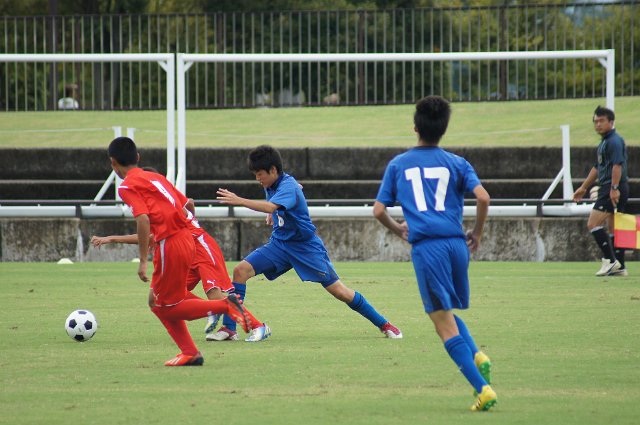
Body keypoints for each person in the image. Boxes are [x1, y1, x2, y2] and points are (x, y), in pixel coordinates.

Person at [372, 95, 496, 411]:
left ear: (416, 127)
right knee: (446, 311)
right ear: (443, 129)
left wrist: (398, 229)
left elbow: (378, 210)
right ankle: (477, 355)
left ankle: (483, 389)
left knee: (441, 323)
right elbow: (483, 198)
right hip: (457, 245)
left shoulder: (399, 164)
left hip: (429, 248)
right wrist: (477, 233)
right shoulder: (458, 163)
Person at [211, 144, 402, 341]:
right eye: (255, 175)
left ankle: (384, 324)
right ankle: (230, 328)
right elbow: (281, 200)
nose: (258, 179)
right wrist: (273, 213)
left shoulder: (288, 186)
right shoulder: (274, 184)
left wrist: (243, 201)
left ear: (273, 170)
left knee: (340, 292)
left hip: (305, 248)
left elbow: (277, 201)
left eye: (260, 174)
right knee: (240, 271)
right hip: (280, 244)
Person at [107, 136, 264, 366]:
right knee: (156, 300)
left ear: (113, 162)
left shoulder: (127, 186)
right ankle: (190, 352)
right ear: (137, 157)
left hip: (169, 243)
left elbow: (143, 219)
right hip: (186, 239)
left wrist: (142, 260)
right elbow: (187, 203)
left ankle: (224, 306)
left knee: (167, 306)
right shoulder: (156, 177)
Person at [572, 106, 629, 277]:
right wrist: (583, 187)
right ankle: (620, 266)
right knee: (614, 227)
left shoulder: (614, 141)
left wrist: (614, 188)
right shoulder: (605, 142)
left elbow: (617, 166)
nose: (598, 124)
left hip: (611, 187)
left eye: (601, 121)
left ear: (611, 122)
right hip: (612, 186)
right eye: (595, 121)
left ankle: (610, 261)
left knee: (593, 223)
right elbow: (598, 167)